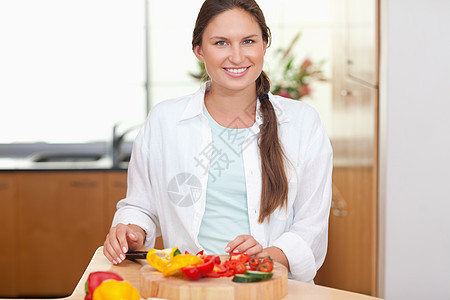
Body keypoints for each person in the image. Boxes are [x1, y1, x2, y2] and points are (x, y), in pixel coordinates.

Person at [102, 0, 332, 283]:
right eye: (221, 43)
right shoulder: (165, 120)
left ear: (264, 44)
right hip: (189, 286)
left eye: (248, 41)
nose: (237, 57)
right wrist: (132, 230)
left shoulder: (303, 123)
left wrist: (269, 255)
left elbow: (312, 225)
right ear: (199, 50)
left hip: (271, 287)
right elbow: (141, 206)